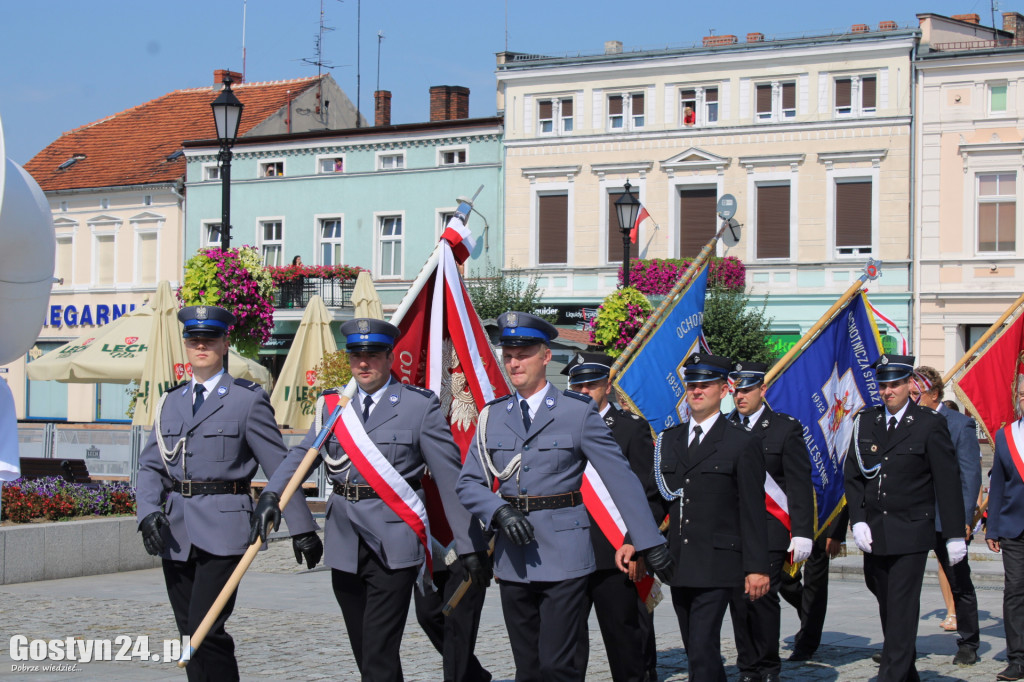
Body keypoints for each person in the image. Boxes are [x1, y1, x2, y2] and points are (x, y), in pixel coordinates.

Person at [250, 318, 491, 682]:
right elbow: (302, 456)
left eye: (373, 355)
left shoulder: (417, 406)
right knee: (365, 648)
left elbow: (448, 477)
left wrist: (468, 544)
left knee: (379, 646)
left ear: (390, 357)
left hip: (394, 537)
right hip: (345, 538)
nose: (364, 364)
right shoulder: (333, 405)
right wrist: (273, 494)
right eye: (356, 355)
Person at [456, 312, 673, 682]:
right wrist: (498, 511)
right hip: (513, 556)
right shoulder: (492, 416)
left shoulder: (577, 412)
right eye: (508, 355)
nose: (514, 363)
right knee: (528, 667)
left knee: (558, 666)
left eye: (523, 353)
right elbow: (468, 483)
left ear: (545, 356)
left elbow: (620, 479)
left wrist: (648, 540)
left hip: (566, 554)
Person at [136, 305, 323, 682]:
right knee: (189, 635)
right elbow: (150, 466)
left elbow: (280, 466)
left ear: (224, 344)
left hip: (225, 530)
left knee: (206, 631)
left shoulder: (246, 399)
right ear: (186, 346)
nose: (200, 345)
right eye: (193, 339)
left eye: (210, 339)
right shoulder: (170, 402)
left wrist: (302, 528)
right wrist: (146, 513)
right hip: (177, 532)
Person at [619, 353, 770, 682]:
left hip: (719, 562)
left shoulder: (742, 443)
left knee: (701, 647)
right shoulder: (671, 439)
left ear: (723, 389)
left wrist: (757, 567)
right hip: (680, 562)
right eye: (692, 385)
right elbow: (656, 498)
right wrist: (634, 540)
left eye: (705, 385)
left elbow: (753, 509)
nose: (697, 391)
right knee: (696, 647)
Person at [844, 354, 965, 682]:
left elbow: (947, 481)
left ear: (910, 384)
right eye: (883, 385)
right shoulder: (866, 422)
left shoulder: (928, 423)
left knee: (901, 604)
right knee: (886, 601)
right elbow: (853, 476)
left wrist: (954, 534)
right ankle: (905, 670)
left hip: (911, 529)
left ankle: (891, 674)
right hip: (875, 531)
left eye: (895, 384)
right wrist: (859, 520)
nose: (888, 391)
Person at [563, 351, 661, 682]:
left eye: (591, 385)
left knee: (624, 642)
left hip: (615, 553)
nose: (583, 392)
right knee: (567, 646)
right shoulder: (557, 427)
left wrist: (637, 544)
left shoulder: (630, 429)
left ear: (608, 385)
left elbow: (648, 493)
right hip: (567, 552)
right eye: (577, 386)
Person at [726, 361, 815, 682]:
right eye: (736, 390)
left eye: (748, 389)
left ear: (763, 390)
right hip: (734, 529)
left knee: (762, 596)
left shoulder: (783, 428)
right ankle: (747, 667)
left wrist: (803, 532)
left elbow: (799, 483)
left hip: (771, 527)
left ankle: (767, 666)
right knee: (738, 600)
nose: (741, 396)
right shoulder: (724, 426)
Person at [910, 366, 981, 666]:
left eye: (916, 394)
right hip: (912, 515)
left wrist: (963, 519)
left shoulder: (958, 424)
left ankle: (968, 642)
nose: (911, 399)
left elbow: (969, 475)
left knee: (958, 580)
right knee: (904, 583)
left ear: (934, 394)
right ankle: (900, 644)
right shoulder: (907, 421)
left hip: (945, 517)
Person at [986, 372, 1024, 681]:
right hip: (1014, 527)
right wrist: (992, 527)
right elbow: (997, 483)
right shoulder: (1006, 435)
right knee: (1015, 592)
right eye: (1022, 394)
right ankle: (1017, 659)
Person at [781, 507, 848, 662]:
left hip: (823, 520)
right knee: (783, 578)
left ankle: (806, 644)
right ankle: (808, 614)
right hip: (792, 519)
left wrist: (836, 533)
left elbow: (840, 491)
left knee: (815, 585)